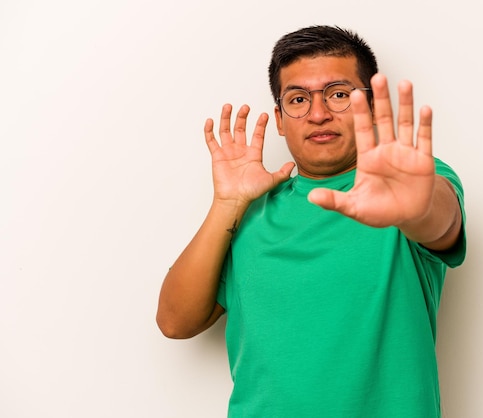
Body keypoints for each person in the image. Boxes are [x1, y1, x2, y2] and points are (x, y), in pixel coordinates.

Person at [157, 25, 466, 418]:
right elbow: (174, 321)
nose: (318, 114)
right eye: (298, 99)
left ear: (370, 107)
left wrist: (419, 209)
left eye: (339, 95)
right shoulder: (248, 213)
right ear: (281, 119)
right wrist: (227, 204)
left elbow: (441, 222)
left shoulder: (409, 182)